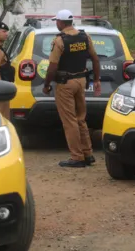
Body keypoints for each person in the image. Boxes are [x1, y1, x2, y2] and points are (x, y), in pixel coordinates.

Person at [42, 9, 101, 168]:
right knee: (81, 118)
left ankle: (77, 157)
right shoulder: (85, 37)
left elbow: (52, 67)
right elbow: (95, 59)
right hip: (81, 81)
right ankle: (88, 153)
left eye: (56, 21)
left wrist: (47, 85)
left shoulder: (60, 41)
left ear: (61, 22)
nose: (56, 24)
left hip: (65, 84)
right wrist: (96, 79)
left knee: (70, 121)